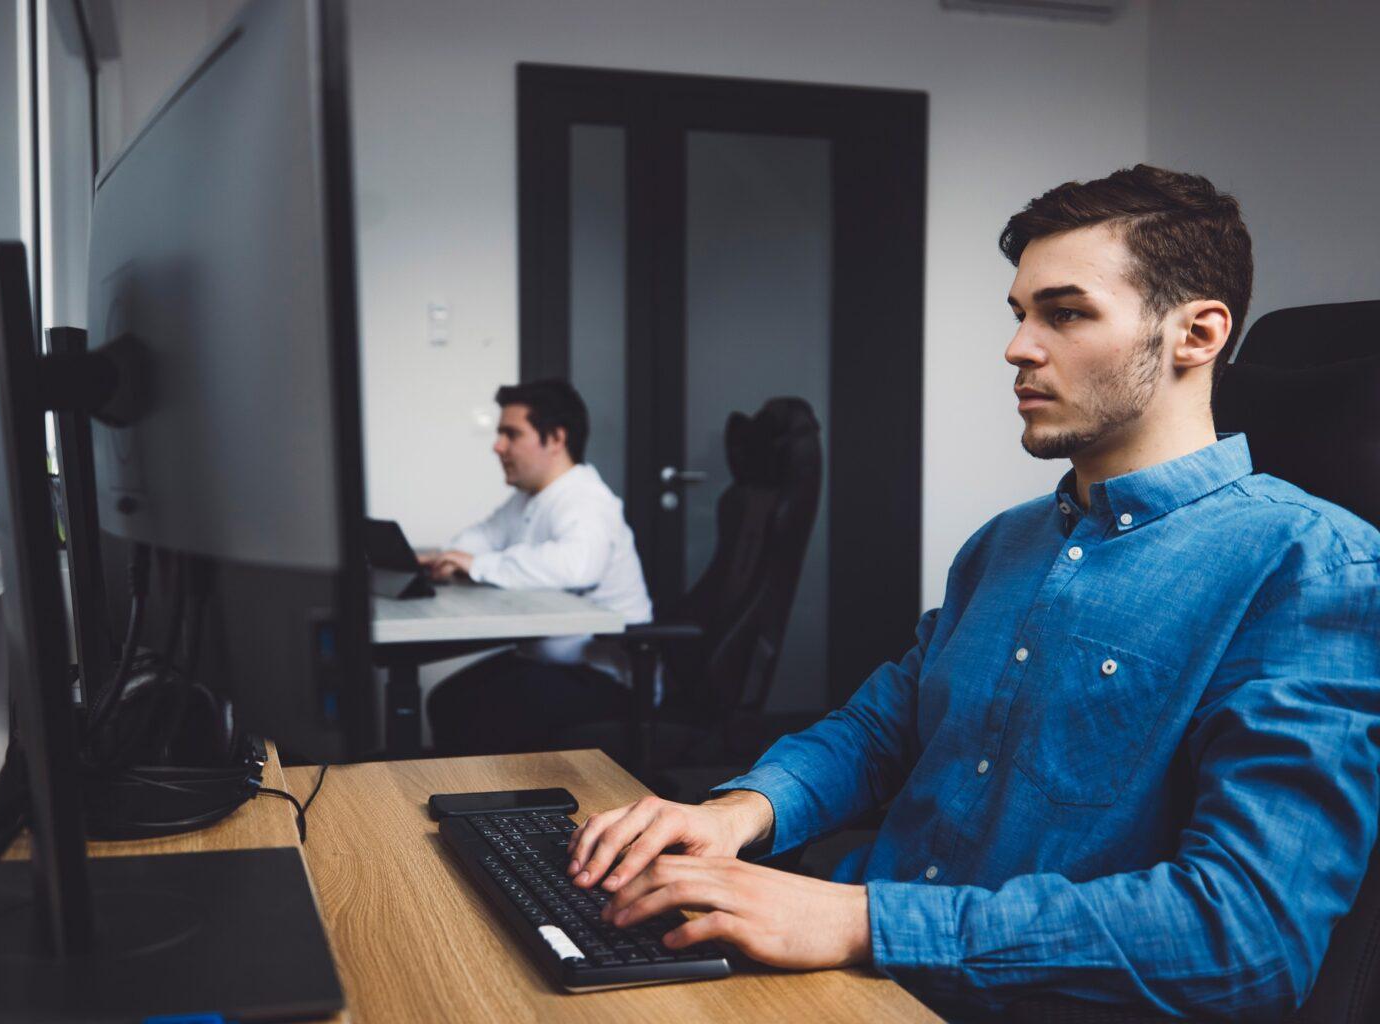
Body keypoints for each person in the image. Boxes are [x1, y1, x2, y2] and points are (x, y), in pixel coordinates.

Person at [563, 165, 1380, 1020]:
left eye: (1065, 313)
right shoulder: (1005, 543)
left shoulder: (1311, 566)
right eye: (1021, 314)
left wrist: (863, 920)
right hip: (849, 969)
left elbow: (1245, 941)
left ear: (1197, 334)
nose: (1019, 347)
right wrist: (742, 812)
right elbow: (884, 728)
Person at [422, 378, 653, 754]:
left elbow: (577, 566)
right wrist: (447, 557)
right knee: (447, 701)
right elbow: (483, 537)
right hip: (549, 664)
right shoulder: (531, 498)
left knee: (473, 712)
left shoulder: (584, 498)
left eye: (511, 434)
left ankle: (492, 809)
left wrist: (476, 565)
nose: (498, 446)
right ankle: (476, 806)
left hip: (603, 676)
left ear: (556, 438)